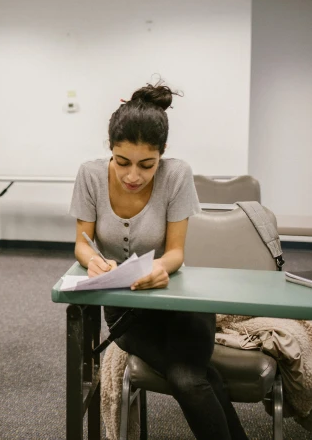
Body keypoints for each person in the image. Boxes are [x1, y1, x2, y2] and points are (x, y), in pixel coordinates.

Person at [69, 83, 248, 440]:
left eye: (146, 165)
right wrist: (93, 260)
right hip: (126, 309)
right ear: (110, 150)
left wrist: (160, 267)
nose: (132, 175)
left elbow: (176, 253)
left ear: (162, 155)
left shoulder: (177, 174)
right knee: (193, 376)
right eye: (122, 163)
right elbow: (81, 243)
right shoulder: (90, 175)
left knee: (189, 377)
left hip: (181, 301)